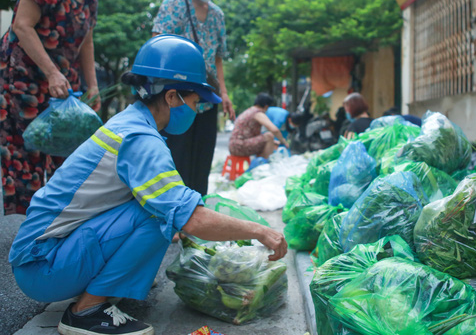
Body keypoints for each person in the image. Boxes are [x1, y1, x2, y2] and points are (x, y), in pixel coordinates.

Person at [9, 35, 287, 335]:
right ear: (171, 97)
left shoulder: (130, 123)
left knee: (161, 207)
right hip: (42, 266)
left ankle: (108, 284)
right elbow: (191, 218)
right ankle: (86, 312)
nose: (196, 112)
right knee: (161, 215)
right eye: (195, 103)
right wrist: (262, 232)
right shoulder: (140, 139)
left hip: (44, 253)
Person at [1, 0, 109, 215]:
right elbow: (22, 26)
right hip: (26, 80)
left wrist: (93, 85)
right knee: (27, 156)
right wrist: (50, 72)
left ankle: (54, 223)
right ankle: (25, 230)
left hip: (64, 87)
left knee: (67, 154)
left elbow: (86, 43)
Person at [152, 0, 235, 195]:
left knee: (201, 163)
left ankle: (195, 215)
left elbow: (218, 57)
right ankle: (172, 216)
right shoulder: (175, 4)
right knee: (175, 159)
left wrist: (224, 92)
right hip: (176, 99)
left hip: (207, 100)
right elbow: (158, 43)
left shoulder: (218, 15)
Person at [229, 93, 289, 159]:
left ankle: (260, 163)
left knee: (267, 140)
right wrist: (283, 141)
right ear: (266, 106)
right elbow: (274, 130)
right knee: (269, 136)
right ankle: (264, 165)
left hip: (234, 145)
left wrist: (274, 142)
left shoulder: (249, 111)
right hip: (239, 147)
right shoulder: (258, 113)